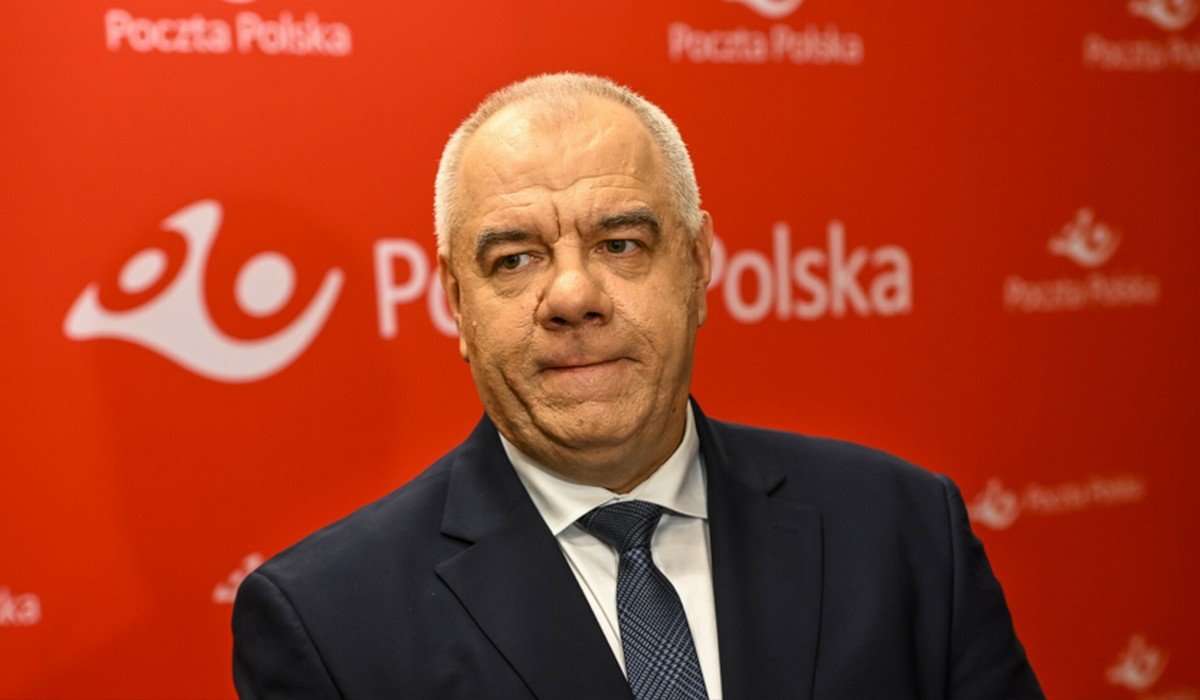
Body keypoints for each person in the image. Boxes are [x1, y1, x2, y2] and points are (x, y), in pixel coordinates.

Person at [232, 73, 1043, 699]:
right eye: (515, 259)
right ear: (456, 301)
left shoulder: (905, 533)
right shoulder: (328, 622)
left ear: (697, 263)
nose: (572, 295)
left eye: (620, 243)